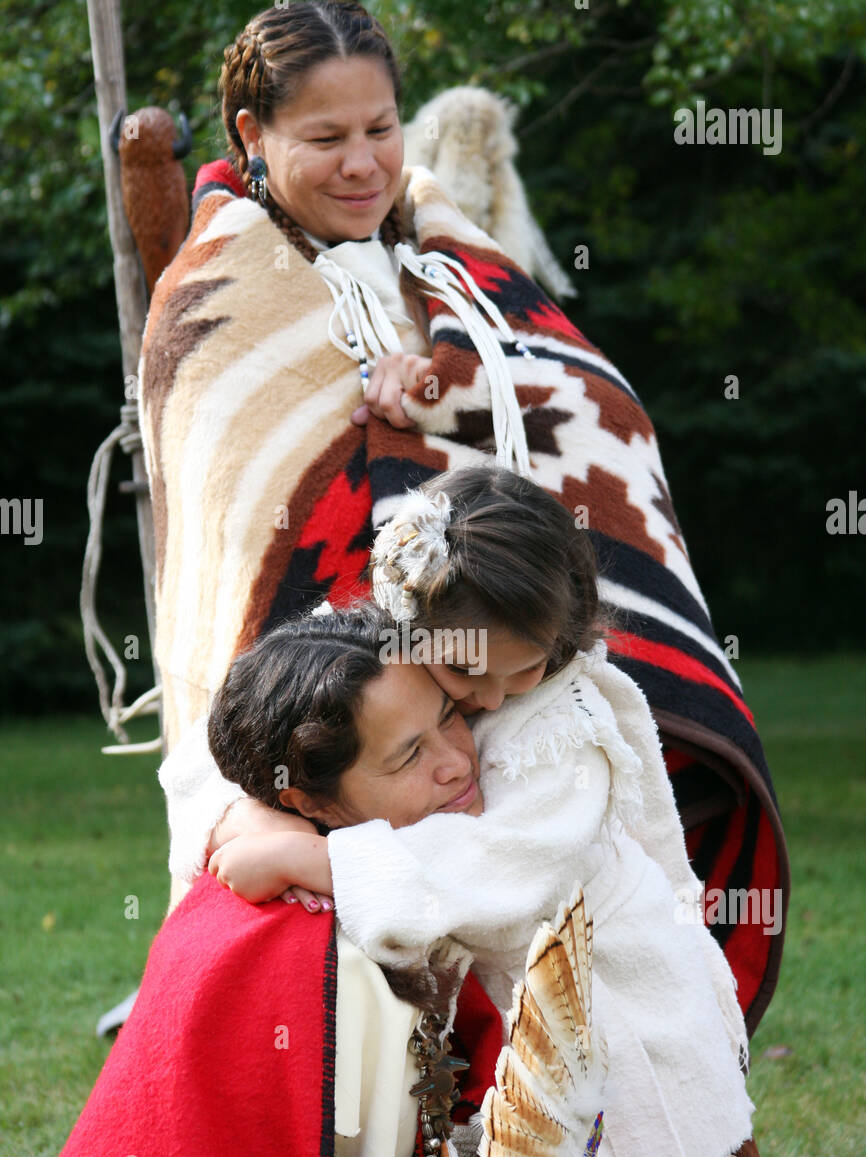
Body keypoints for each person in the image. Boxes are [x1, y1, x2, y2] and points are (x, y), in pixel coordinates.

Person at [138, 2, 788, 1033]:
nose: (363, 163)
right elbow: (248, 500)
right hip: (325, 684)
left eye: (380, 128)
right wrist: (373, 419)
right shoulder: (211, 296)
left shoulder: (448, 262)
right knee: (336, 990)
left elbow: (595, 409)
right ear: (251, 137)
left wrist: (447, 387)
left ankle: (565, 1130)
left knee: (547, 894)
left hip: (495, 649)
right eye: (324, 138)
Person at [173, 467, 799, 1157]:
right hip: (510, 1036)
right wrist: (250, 817)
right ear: (412, 621)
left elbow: (505, 875)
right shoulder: (389, 648)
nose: (491, 699)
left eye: (524, 669)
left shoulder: (565, 732)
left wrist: (314, 862)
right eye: (469, 677)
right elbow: (234, 729)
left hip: (619, 1014)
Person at [22, 604, 674, 1157]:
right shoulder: (309, 951)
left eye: (450, 718)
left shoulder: (371, 899)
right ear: (313, 801)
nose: (456, 762)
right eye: (408, 755)